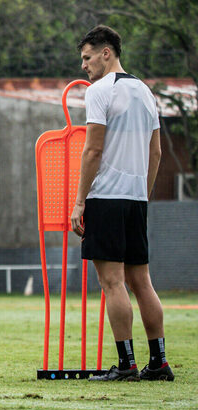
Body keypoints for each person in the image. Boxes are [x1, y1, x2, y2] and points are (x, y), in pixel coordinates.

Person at [72, 25, 173, 381]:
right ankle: (158, 363)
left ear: (106, 53)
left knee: (113, 283)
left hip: (106, 197)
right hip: (134, 199)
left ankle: (127, 365)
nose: (83, 66)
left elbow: (93, 149)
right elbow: (156, 151)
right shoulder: (146, 92)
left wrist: (80, 202)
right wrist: (141, 195)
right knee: (142, 281)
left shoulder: (100, 91)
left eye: (87, 58)